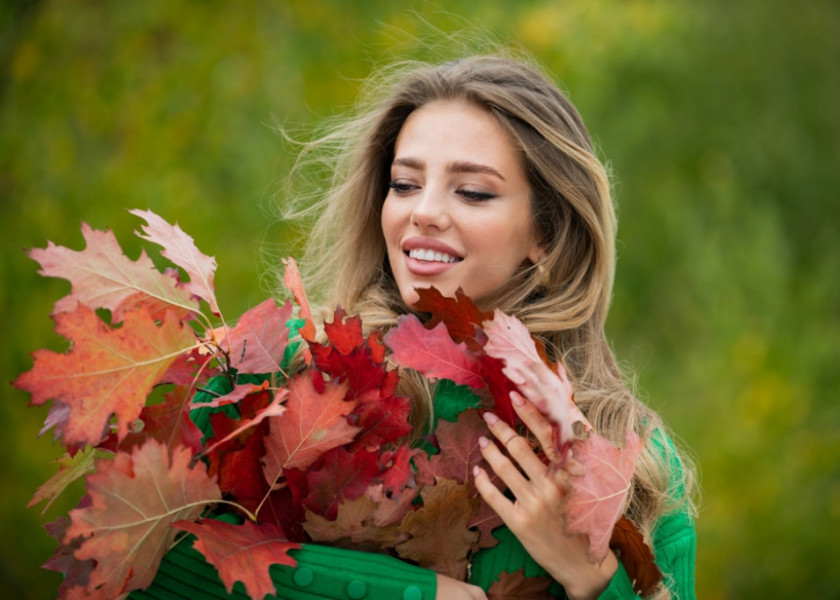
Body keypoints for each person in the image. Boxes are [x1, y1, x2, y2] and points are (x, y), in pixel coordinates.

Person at [137, 53, 696, 600]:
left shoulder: (636, 462)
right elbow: (139, 559)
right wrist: (415, 593)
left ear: (545, 236)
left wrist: (596, 580)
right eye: (404, 185)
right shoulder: (290, 367)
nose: (422, 211)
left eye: (472, 191)